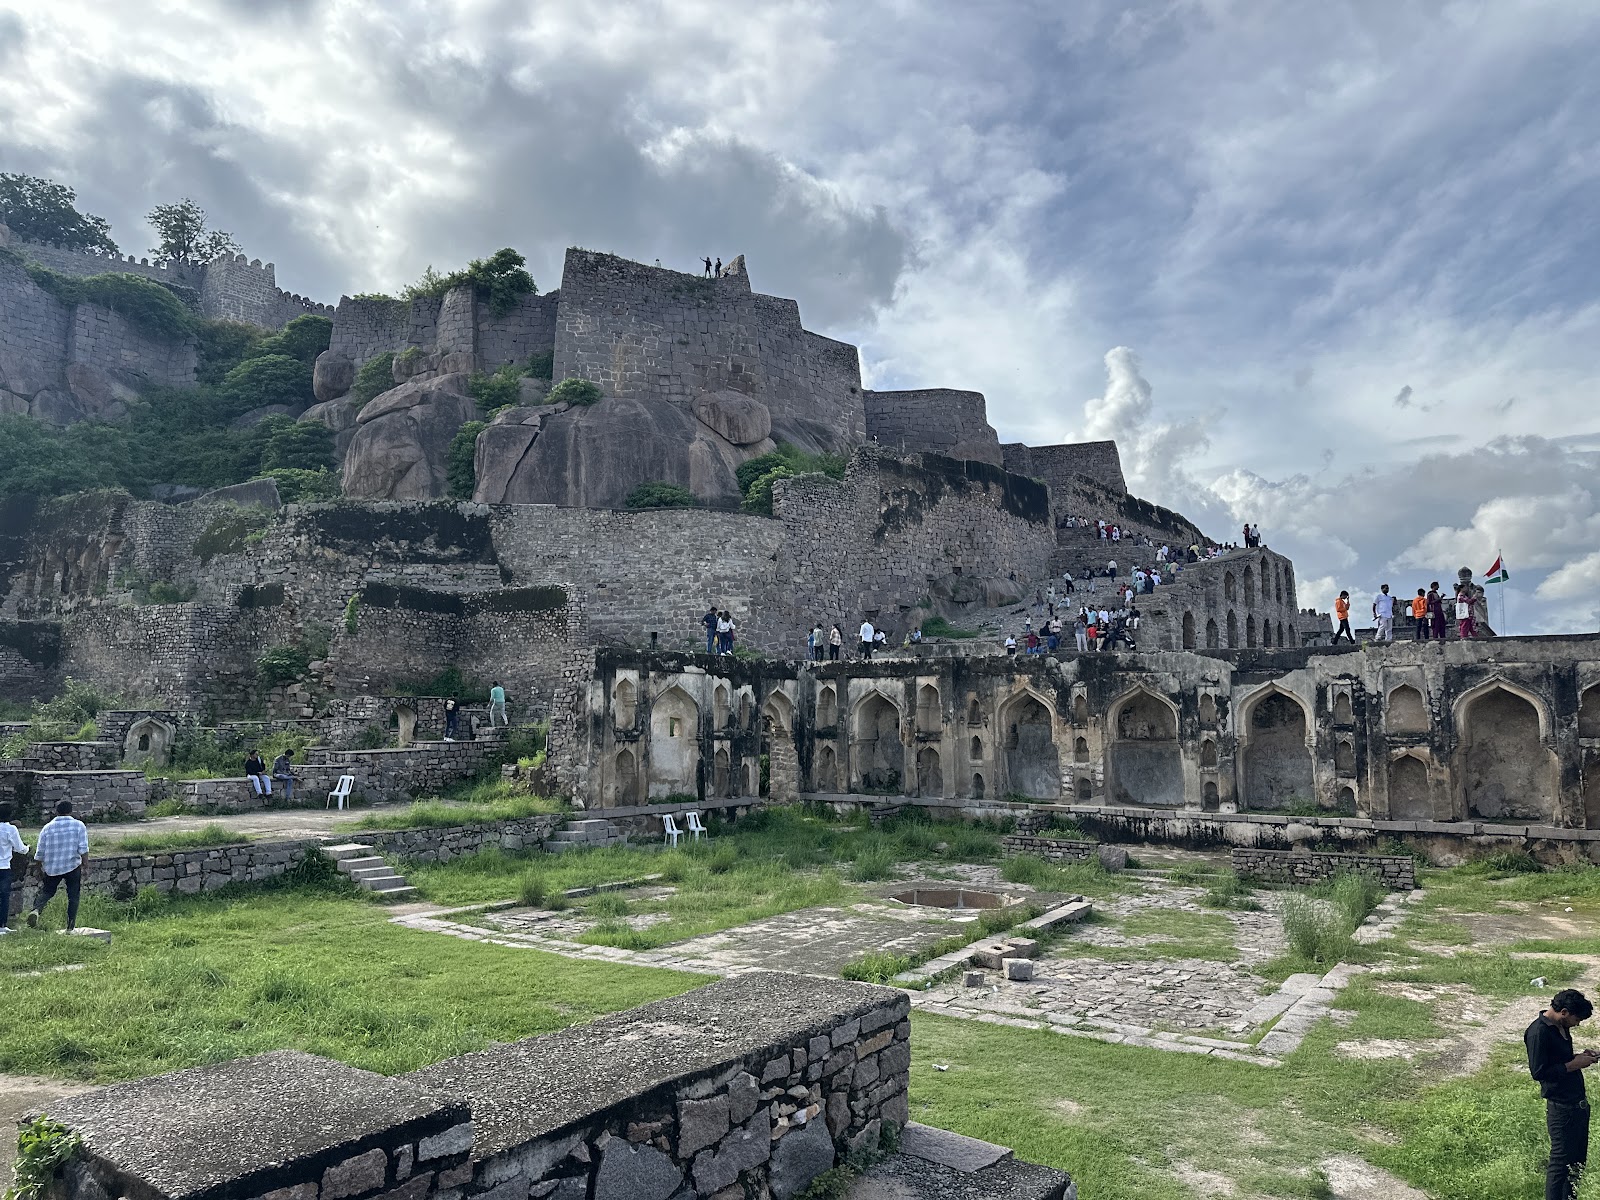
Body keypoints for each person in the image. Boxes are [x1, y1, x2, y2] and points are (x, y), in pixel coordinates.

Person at [1526, 988, 1598, 1199]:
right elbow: (1539, 1072)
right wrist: (1573, 1065)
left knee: (1577, 1162)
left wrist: (1582, 1057)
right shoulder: (1538, 1032)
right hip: (1560, 1108)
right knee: (1560, 1164)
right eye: (1577, 1020)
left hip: (1577, 1104)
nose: (1577, 1024)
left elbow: (1559, 1060)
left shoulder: (1560, 1027)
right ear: (1564, 1012)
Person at [28, 801, 88, 932]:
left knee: (47, 892)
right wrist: (85, 866)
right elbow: (83, 848)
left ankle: (36, 910)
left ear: (56, 812)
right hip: (72, 866)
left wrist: (38, 869)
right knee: (73, 896)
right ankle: (70, 927)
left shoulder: (47, 828)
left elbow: (40, 852)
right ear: (71, 811)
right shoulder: (78, 825)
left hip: (52, 867)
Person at [0, 803, 28, 933]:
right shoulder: (10, 829)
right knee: (4, 896)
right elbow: (20, 848)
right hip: (4, 866)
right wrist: (27, 848)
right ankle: (2, 925)